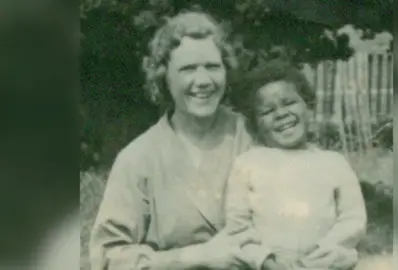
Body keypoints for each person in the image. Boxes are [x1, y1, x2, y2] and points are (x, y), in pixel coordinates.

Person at [89, 10, 261, 270]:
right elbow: (107, 257)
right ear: (164, 77)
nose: (202, 81)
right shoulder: (138, 159)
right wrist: (196, 257)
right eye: (188, 69)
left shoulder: (254, 135)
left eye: (213, 67)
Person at [225, 61, 367, 270]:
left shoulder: (333, 163)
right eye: (267, 111)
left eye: (289, 102)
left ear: (308, 106)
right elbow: (238, 228)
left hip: (324, 263)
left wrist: (327, 249)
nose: (281, 114)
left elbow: (353, 218)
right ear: (254, 123)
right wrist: (265, 260)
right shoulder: (247, 165)